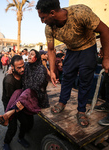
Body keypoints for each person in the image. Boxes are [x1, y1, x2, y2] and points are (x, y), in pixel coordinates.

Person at [36, 0, 109, 128]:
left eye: (43, 17)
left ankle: (81, 111)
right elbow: (51, 49)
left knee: (85, 80)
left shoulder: (80, 13)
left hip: (88, 48)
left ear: (52, 13)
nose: (42, 21)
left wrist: (106, 58)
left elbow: (105, 31)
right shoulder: (49, 28)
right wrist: (52, 70)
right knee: (67, 77)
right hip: (71, 51)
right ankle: (62, 102)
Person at [0, 49, 49, 149]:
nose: (22, 69)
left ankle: (21, 138)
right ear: (12, 67)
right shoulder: (9, 80)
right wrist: (16, 110)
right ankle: (6, 142)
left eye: (23, 66)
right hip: (10, 102)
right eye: (19, 68)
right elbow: (10, 98)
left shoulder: (24, 73)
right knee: (12, 127)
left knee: (26, 123)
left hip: (22, 101)